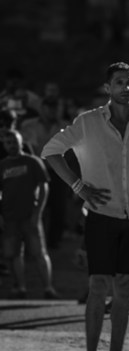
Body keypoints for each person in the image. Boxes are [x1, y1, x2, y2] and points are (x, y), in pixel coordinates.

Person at [41, 62, 129, 351]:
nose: (126, 87)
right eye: (119, 82)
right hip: (101, 215)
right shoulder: (88, 122)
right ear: (108, 88)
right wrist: (77, 186)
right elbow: (51, 151)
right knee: (98, 285)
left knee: (125, 287)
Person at [1, 129, 57, 299]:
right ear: (4, 144)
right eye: (8, 142)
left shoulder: (33, 162)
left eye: (14, 141)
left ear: (21, 142)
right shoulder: (2, 165)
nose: (11, 145)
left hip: (30, 216)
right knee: (15, 254)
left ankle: (48, 288)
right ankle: (21, 288)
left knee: (39, 252)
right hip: (10, 217)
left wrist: (37, 212)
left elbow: (44, 187)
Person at [19, 96, 71, 249]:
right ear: (42, 108)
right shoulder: (29, 125)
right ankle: (32, 241)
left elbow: (71, 151)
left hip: (59, 172)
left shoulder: (65, 126)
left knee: (58, 208)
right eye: (48, 107)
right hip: (35, 171)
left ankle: (52, 243)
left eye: (54, 107)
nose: (52, 110)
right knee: (34, 207)